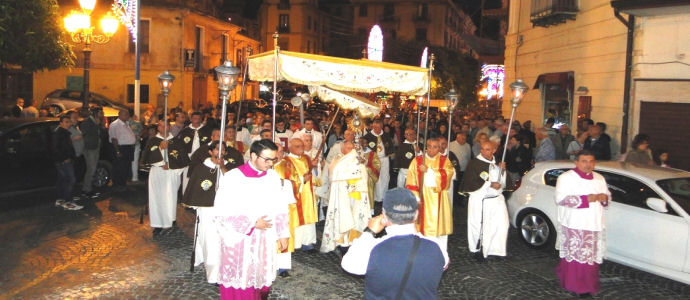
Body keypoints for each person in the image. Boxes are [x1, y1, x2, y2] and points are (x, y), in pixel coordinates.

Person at [212, 139, 290, 299]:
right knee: (242, 280)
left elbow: (281, 206)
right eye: (267, 159)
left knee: (261, 280)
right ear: (253, 156)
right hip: (240, 240)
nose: (270, 163)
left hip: (265, 239)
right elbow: (221, 212)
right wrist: (252, 223)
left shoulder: (273, 177)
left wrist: (283, 233)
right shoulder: (233, 178)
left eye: (273, 159)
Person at [341, 188, 448, 299]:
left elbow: (348, 265)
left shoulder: (372, 248)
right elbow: (443, 265)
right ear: (416, 215)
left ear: (384, 216)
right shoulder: (437, 246)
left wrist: (369, 232)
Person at [554, 150, 610, 296]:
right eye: (584, 161)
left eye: (591, 161)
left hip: (594, 222)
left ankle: (589, 284)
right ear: (576, 162)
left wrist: (604, 198)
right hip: (575, 223)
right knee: (576, 258)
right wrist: (586, 199)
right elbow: (561, 199)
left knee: (589, 258)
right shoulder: (566, 178)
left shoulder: (599, 178)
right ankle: (576, 286)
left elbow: (606, 198)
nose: (588, 164)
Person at [460, 140, 508, 261]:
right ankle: (477, 250)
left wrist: (503, 171)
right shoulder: (474, 163)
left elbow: (503, 182)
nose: (483, 151)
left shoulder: (498, 163)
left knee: (500, 225)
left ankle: (496, 249)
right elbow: (471, 182)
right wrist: (489, 184)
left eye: (487, 149)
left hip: (496, 200)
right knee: (478, 226)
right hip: (480, 199)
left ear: (494, 150)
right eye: (482, 149)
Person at [320, 140, 372, 254]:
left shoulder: (358, 159)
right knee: (343, 217)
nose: (351, 150)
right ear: (342, 149)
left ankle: (354, 240)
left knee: (356, 217)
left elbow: (364, 174)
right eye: (348, 148)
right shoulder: (337, 159)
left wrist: (361, 165)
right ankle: (342, 241)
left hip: (356, 195)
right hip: (342, 195)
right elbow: (333, 174)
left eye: (352, 148)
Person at [404, 138, 454, 252]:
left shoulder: (444, 161)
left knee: (439, 228)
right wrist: (415, 198)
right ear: (426, 147)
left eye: (435, 147)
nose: (432, 149)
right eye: (429, 146)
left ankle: (440, 252)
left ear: (440, 148)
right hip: (423, 198)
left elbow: (447, 176)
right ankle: (422, 252)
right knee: (422, 226)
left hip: (439, 199)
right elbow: (411, 181)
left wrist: (429, 171)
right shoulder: (417, 161)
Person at [141, 120, 188, 235]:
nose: (164, 127)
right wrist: (160, 150)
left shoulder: (176, 141)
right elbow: (147, 157)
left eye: (166, 125)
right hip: (157, 173)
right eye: (161, 125)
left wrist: (172, 167)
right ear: (159, 128)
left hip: (171, 173)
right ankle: (157, 223)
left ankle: (171, 220)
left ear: (169, 127)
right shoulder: (153, 141)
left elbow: (183, 159)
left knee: (170, 197)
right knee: (156, 198)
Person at [273, 138, 318, 251]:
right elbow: (288, 178)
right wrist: (303, 179)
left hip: (308, 193)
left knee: (309, 217)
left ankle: (308, 241)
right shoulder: (287, 161)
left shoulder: (306, 158)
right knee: (297, 218)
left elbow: (315, 174)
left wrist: (315, 167)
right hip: (297, 194)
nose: (301, 148)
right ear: (290, 148)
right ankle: (297, 243)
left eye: (302, 146)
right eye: (297, 146)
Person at [52, 115, 83, 210]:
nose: (68, 123)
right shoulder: (59, 133)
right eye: (66, 122)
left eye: (69, 122)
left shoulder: (65, 132)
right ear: (61, 123)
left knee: (62, 180)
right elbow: (55, 148)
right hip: (64, 161)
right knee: (70, 179)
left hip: (65, 160)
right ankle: (67, 201)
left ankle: (61, 200)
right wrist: (64, 158)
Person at [363, 119, 394, 204]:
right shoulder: (368, 136)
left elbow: (390, 145)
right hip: (374, 160)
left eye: (379, 127)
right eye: (375, 127)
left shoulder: (386, 136)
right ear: (372, 126)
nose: (377, 129)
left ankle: (384, 196)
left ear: (382, 127)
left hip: (384, 159)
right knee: (376, 177)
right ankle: (376, 197)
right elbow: (364, 148)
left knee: (385, 177)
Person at [109, 109, 137, 190]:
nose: (127, 116)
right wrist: (117, 151)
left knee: (126, 167)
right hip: (121, 148)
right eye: (125, 114)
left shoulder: (126, 124)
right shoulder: (115, 124)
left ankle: (123, 183)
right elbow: (114, 139)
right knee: (120, 167)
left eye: (128, 114)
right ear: (120, 115)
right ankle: (118, 184)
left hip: (128, 148)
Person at [79, 108, 101, 198]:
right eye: (101, 113)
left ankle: (88, 188)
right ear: (96, 114)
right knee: (91, 169)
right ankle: (87, 190)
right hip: (89, 149)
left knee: (93, 168)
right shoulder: (87, 122)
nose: (102, 114)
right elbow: (84, 135)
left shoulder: (96, 122)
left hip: (95, 147)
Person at [129, 113, 144, 182]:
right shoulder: (138, 124)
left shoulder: (125, 123)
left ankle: (130, 176)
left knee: (130, 161)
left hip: (127, 144)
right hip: (136, 143)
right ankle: (134, 177)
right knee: (134, 161)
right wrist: (138, 136)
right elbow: (142, 131)